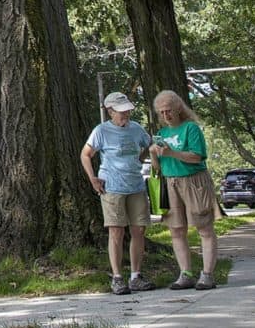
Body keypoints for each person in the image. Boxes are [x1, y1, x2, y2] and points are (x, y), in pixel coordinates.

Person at [81, 91, 156, 294]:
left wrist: (140, 159)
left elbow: (149, 145)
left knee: (139, 229)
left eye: (127, 111)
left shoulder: (136, 129)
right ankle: (117, 277)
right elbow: (86, 154)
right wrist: (93, 179)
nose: (126, 115)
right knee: (116, 231)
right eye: (121, 112)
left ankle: (136, 276)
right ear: (110, 111)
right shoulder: (101, 131)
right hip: (112, 187)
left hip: (136, 186)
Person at [152, 88, 220, 290]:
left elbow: (197, 156)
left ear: (178, 108)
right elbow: (158, 167)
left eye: (169, 110)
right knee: (176, 229)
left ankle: (207, 274)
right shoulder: (162, 133)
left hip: (194, 181)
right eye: (161, 112)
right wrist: (154, 153)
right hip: (171, 182)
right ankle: (185, 273)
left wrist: (172, 152)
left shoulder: (190, 128)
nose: (166, 115)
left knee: (204, 228)